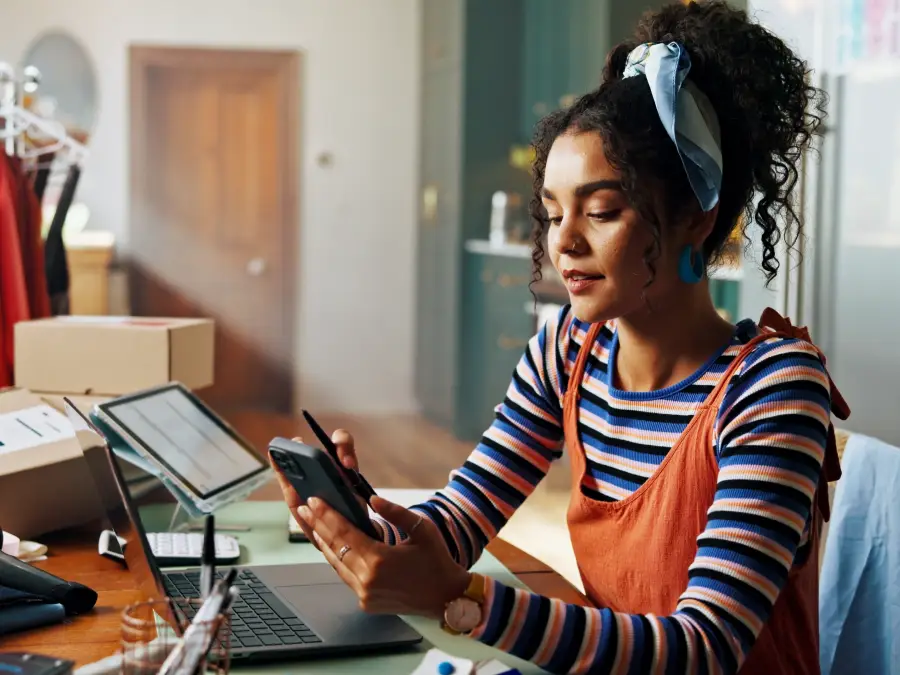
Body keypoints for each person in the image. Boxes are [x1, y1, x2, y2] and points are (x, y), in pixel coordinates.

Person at [273, 2, 850, 673]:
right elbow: (460, 522)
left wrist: (465, 599)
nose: (564, 242)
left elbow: (705, 649)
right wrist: (364, 524)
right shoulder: (570, 350)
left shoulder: (771, 390)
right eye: (552, 213)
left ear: (696, 217)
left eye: (601, 210)